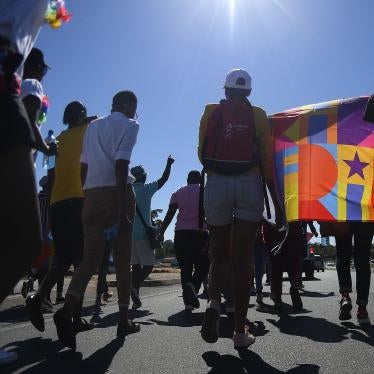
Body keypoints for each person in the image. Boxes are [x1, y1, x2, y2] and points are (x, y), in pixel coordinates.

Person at [198, 68, 283, 350]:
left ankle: (212, 304)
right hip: (249, 181)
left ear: (226, 90)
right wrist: (276, 202)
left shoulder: (211, 111)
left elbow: (202, 152)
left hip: (217, 183)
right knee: (243, 258)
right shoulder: (258, 115)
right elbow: (267, 162)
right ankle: (238, 332)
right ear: (248, 91)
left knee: (219, 255)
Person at [53, 91, 140, 351]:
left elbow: (83, 167)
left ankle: (67, 310)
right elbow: (122, 163)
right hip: (118, 193)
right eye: (134, 106)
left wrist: (88, 193)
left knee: (90, 258)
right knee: (123, 260)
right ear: (128, 106)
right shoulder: (130, 125)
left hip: (90, 195)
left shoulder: (93, 127)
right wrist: (122, 207)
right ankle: (123, 320)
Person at [25, 101, 96, 334]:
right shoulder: (86, 131)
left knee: (65, 261)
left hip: (57, 204)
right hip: (77, 203)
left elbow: (51, 176)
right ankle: (52, 308)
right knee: (81, 262)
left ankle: (70, 317)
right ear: (81, 116)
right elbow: (100, 120)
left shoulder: (55, 143)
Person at [159, 170, 210, 310]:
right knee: (204, 266)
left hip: (180, 234)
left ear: (187, 179)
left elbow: (170, 214)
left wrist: (162, 231)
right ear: (200, 179)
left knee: (185, 269)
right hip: (200, 234)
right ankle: (193, 286)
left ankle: (188, 303)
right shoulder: (205, 191)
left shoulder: (178, 192)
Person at [130, 156, 174, 309]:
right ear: (143, 176)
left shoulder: (127, 190)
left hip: (129, 236)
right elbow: (164, 179)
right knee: (148, 266)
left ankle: (135, 297)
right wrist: (168, 164)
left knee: (135, 266)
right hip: (143, 235)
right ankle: (133, 286)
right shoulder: (146, 189)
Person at [334, 223, 374, 324]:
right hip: (366, 213)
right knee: (363, 259)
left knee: (342, 254)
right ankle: (362, 310)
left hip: (343, 212)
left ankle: (345, 296)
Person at [21, 48, 56, 159]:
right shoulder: (33, 84)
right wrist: (47, 149)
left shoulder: (13, 87)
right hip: (18, 157)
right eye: (44, 69)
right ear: (38, 67)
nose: (43, 75)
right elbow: (29, 124)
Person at [264, 221, 305, 312]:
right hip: (293, 223)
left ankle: (277, 297)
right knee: (293, 260)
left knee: (275, 264)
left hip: (272, 225)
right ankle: (294, 286)